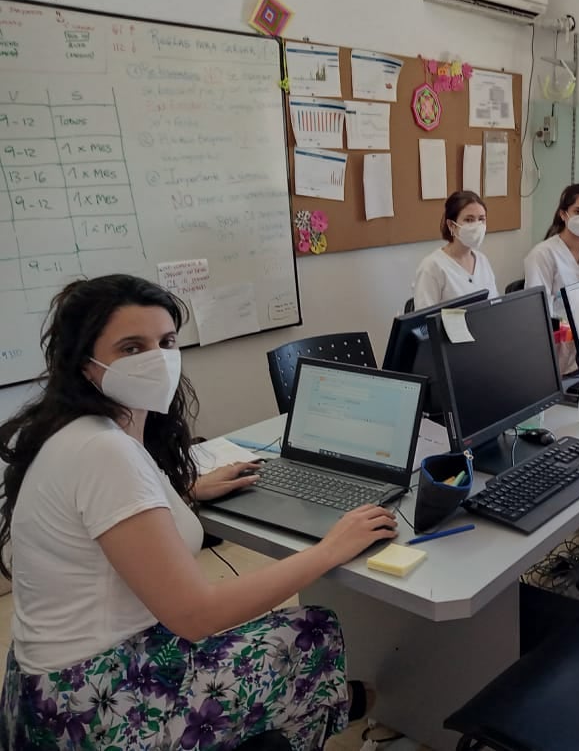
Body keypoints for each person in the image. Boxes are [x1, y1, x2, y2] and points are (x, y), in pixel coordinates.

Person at [0, 275, 399, 749]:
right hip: (97, 703)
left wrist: (182, 495)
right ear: (84, 363)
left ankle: (322, 703)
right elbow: (197, 615)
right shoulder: (104, 452)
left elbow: (107, 519)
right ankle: (328, 709)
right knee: (311, 629)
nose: (157, 359)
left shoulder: (72, 430)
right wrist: (332, 548)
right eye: (131, 347)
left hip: (42, 689)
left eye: (166, 342)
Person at [523, 183, 579, 317]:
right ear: (563, 215)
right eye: (578, 211)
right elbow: (537, 310)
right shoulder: (542, 254)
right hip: (560, 332)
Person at [412, 190, 499, 310]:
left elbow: (494, 306)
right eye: (469, 220)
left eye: (481, 219)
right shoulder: (432, 267)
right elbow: (422, 322)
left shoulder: (482, 260)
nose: (477, 225)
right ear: (451, 225)